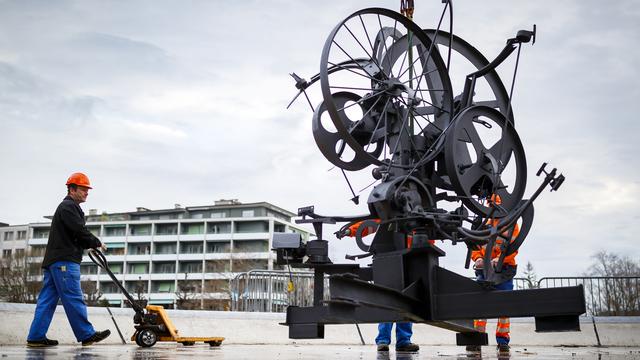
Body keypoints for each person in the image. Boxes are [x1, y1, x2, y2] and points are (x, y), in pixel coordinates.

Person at [26, 172, 111, 347]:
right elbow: (79, 230)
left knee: (47, 300)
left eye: (88, 190)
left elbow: (75, 233)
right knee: (73, 297)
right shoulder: (68, 207)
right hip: (64, 262)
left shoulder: (68, 207)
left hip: (55, 261)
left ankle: (35, 337)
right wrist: (97, 242)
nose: (87, 192)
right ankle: (87, 335)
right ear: (72, 189)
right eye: (83, 189)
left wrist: (88, 244)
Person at [340, 220, 421, 353]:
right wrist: (351, 231)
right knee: (388, 303)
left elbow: (427, 238)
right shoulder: (389, 218)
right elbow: (368, 226)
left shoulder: (414, 220)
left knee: (406, 303)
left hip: (408, 263)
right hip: (388, 263)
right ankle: (384, 341)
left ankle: (403, 342)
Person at [467, 194, 519, 355]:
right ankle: (477, 339)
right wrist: (478, 258)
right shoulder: (484, 225)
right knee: (481, 306)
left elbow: (514, 247)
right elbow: (475, 246)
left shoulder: (511, 225)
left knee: (503, 307)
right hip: (485, 270)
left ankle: (503, 341)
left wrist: (501, 259)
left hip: (504, 270)